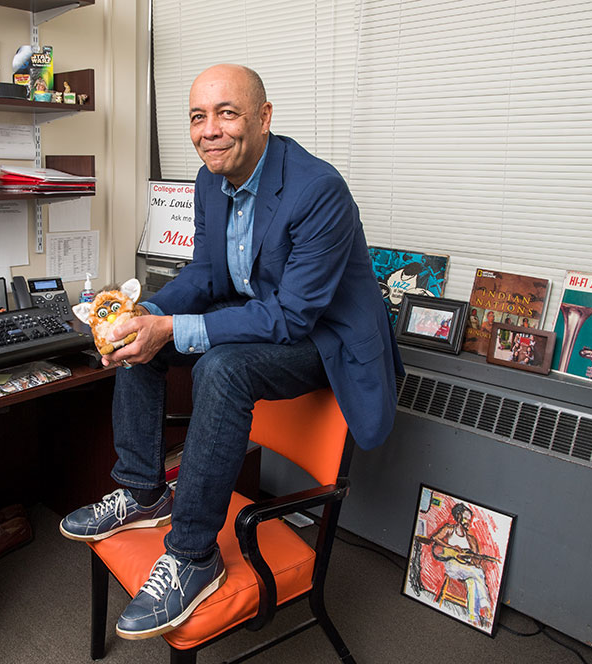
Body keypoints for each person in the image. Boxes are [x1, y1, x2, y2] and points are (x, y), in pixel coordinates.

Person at [58, 64, 403, 639]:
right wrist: (146, 317)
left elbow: (292, 317)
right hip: (263, 316)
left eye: (227, 113)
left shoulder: (319, 189)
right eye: (198, 116)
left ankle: (194, 556)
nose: (210, 130)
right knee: (141, 341)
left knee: (218, 366)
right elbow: (208, 273)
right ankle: (143, 489)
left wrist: (171, 327)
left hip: (323, 338)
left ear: (263, 119)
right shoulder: (208, 180)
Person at [428, 503, 494, 627]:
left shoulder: (471, 539)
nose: (468, 522)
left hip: (466, 570)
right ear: (458, 517)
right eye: (465, 518)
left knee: (472, 581)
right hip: (452, 566)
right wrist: (452, 548)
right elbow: (435, 538)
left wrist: (473, 559)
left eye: (470, 519)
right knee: (478, 572)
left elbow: (474, 561)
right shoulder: (449, 529)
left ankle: (473, 617)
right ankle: (486, 606)